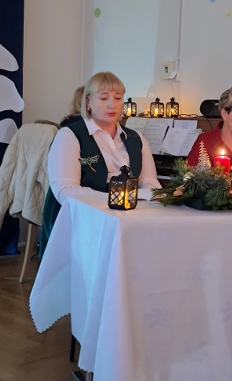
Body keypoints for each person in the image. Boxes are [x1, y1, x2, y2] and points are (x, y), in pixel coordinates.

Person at [41, 71, 160, 255]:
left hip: (126, 220)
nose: (112, 104)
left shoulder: (137, 138)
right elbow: (65, 192)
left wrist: (149, 198)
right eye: (104, 98)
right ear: (88, 102)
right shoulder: (70, 136)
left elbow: (150, 183)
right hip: (80, 221)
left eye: (118, 98)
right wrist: (117, 198)